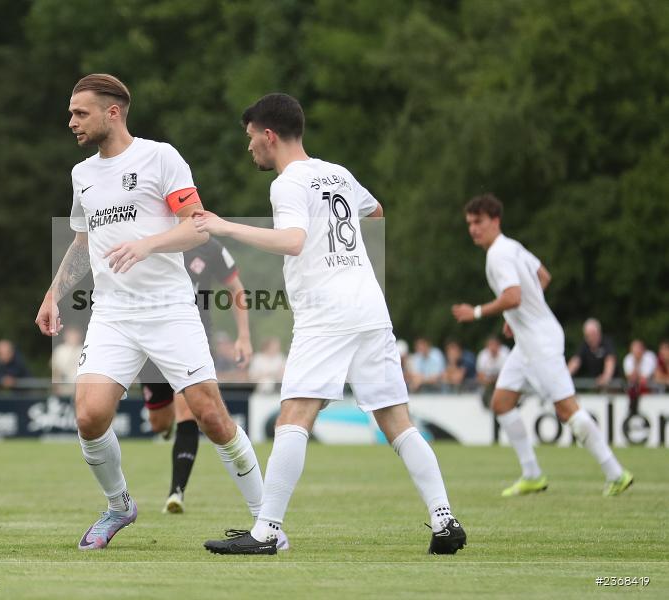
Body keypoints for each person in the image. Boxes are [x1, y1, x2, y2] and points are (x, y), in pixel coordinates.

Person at [195, 93, 465, 555]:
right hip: (369, 308)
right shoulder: (336, 172)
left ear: (270, 135)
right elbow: (375, 211)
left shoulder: (287, 183)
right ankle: (444, 519)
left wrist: (225, 226)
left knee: (293, 418)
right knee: (398, 422)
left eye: (250, 138)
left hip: (327, 313)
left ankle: (266, 532)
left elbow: (294, 241)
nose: (249, 149)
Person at [34, 74, 270, 551]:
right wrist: (53, 293)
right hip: (113, 315)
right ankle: (119, 505)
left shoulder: (160, 157)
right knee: (89, 415)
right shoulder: (82, 174)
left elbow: (198, 228)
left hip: (169, 310)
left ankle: (268, 523)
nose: (71, 121)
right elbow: (82, 241)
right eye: (71, 113)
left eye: (80, 112)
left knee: (211, 416)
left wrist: (147, 245)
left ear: (113, 112)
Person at [452, 194, 632, 497]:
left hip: (539, 341)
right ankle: (532, 474)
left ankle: (616, 473)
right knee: (502, 402)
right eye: (469, 223)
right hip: (530, 339)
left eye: (478, 222)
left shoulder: (498, 254)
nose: (473, 229)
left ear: (495, 221)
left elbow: (513, 296)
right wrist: (518, 315)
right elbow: (543, 277)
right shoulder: (513, 246)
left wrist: (477, 312)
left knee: (566, 409)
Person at [141, 236, 254, 515]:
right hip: (150, 337)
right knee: (159, 422)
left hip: (192, 338)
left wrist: (244, 336)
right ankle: (165, 428)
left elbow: (235, 288)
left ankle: (175, 492)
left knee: (188, 411)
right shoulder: (150, 233)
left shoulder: (209, 246)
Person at [567, 318, 617, 389]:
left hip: (614, 387)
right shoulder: (585, 345)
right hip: (597, 387)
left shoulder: (607, 343)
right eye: (587, 336)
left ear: (599, 333)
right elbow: (575, 361)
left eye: (592, 335)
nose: (590, 339)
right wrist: (565, 376)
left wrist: (606, 376)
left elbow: (610, 360)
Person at [623, 339, 657, 415]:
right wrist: (636, 362)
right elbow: (631, 378)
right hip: (636, 392)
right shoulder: (628, 358)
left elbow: (644, 379)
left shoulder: (649, 357)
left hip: (650, 391)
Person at [476, 336, 510, 408]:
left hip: (503, 384)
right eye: (491, 345)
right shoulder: (483, 355)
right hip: (488, 384)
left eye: (494, 345)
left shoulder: (505, 354)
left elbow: (509, 374)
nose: (493, 348)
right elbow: (480, 375)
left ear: (499, 346)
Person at [51, 327, 84, 395]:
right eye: (71, 335)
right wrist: (56, 387)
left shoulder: (84, 350)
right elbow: (56, 371)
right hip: (64, 389)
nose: (73, 337)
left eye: (75, 334)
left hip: (80, 388)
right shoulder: (60, 350)